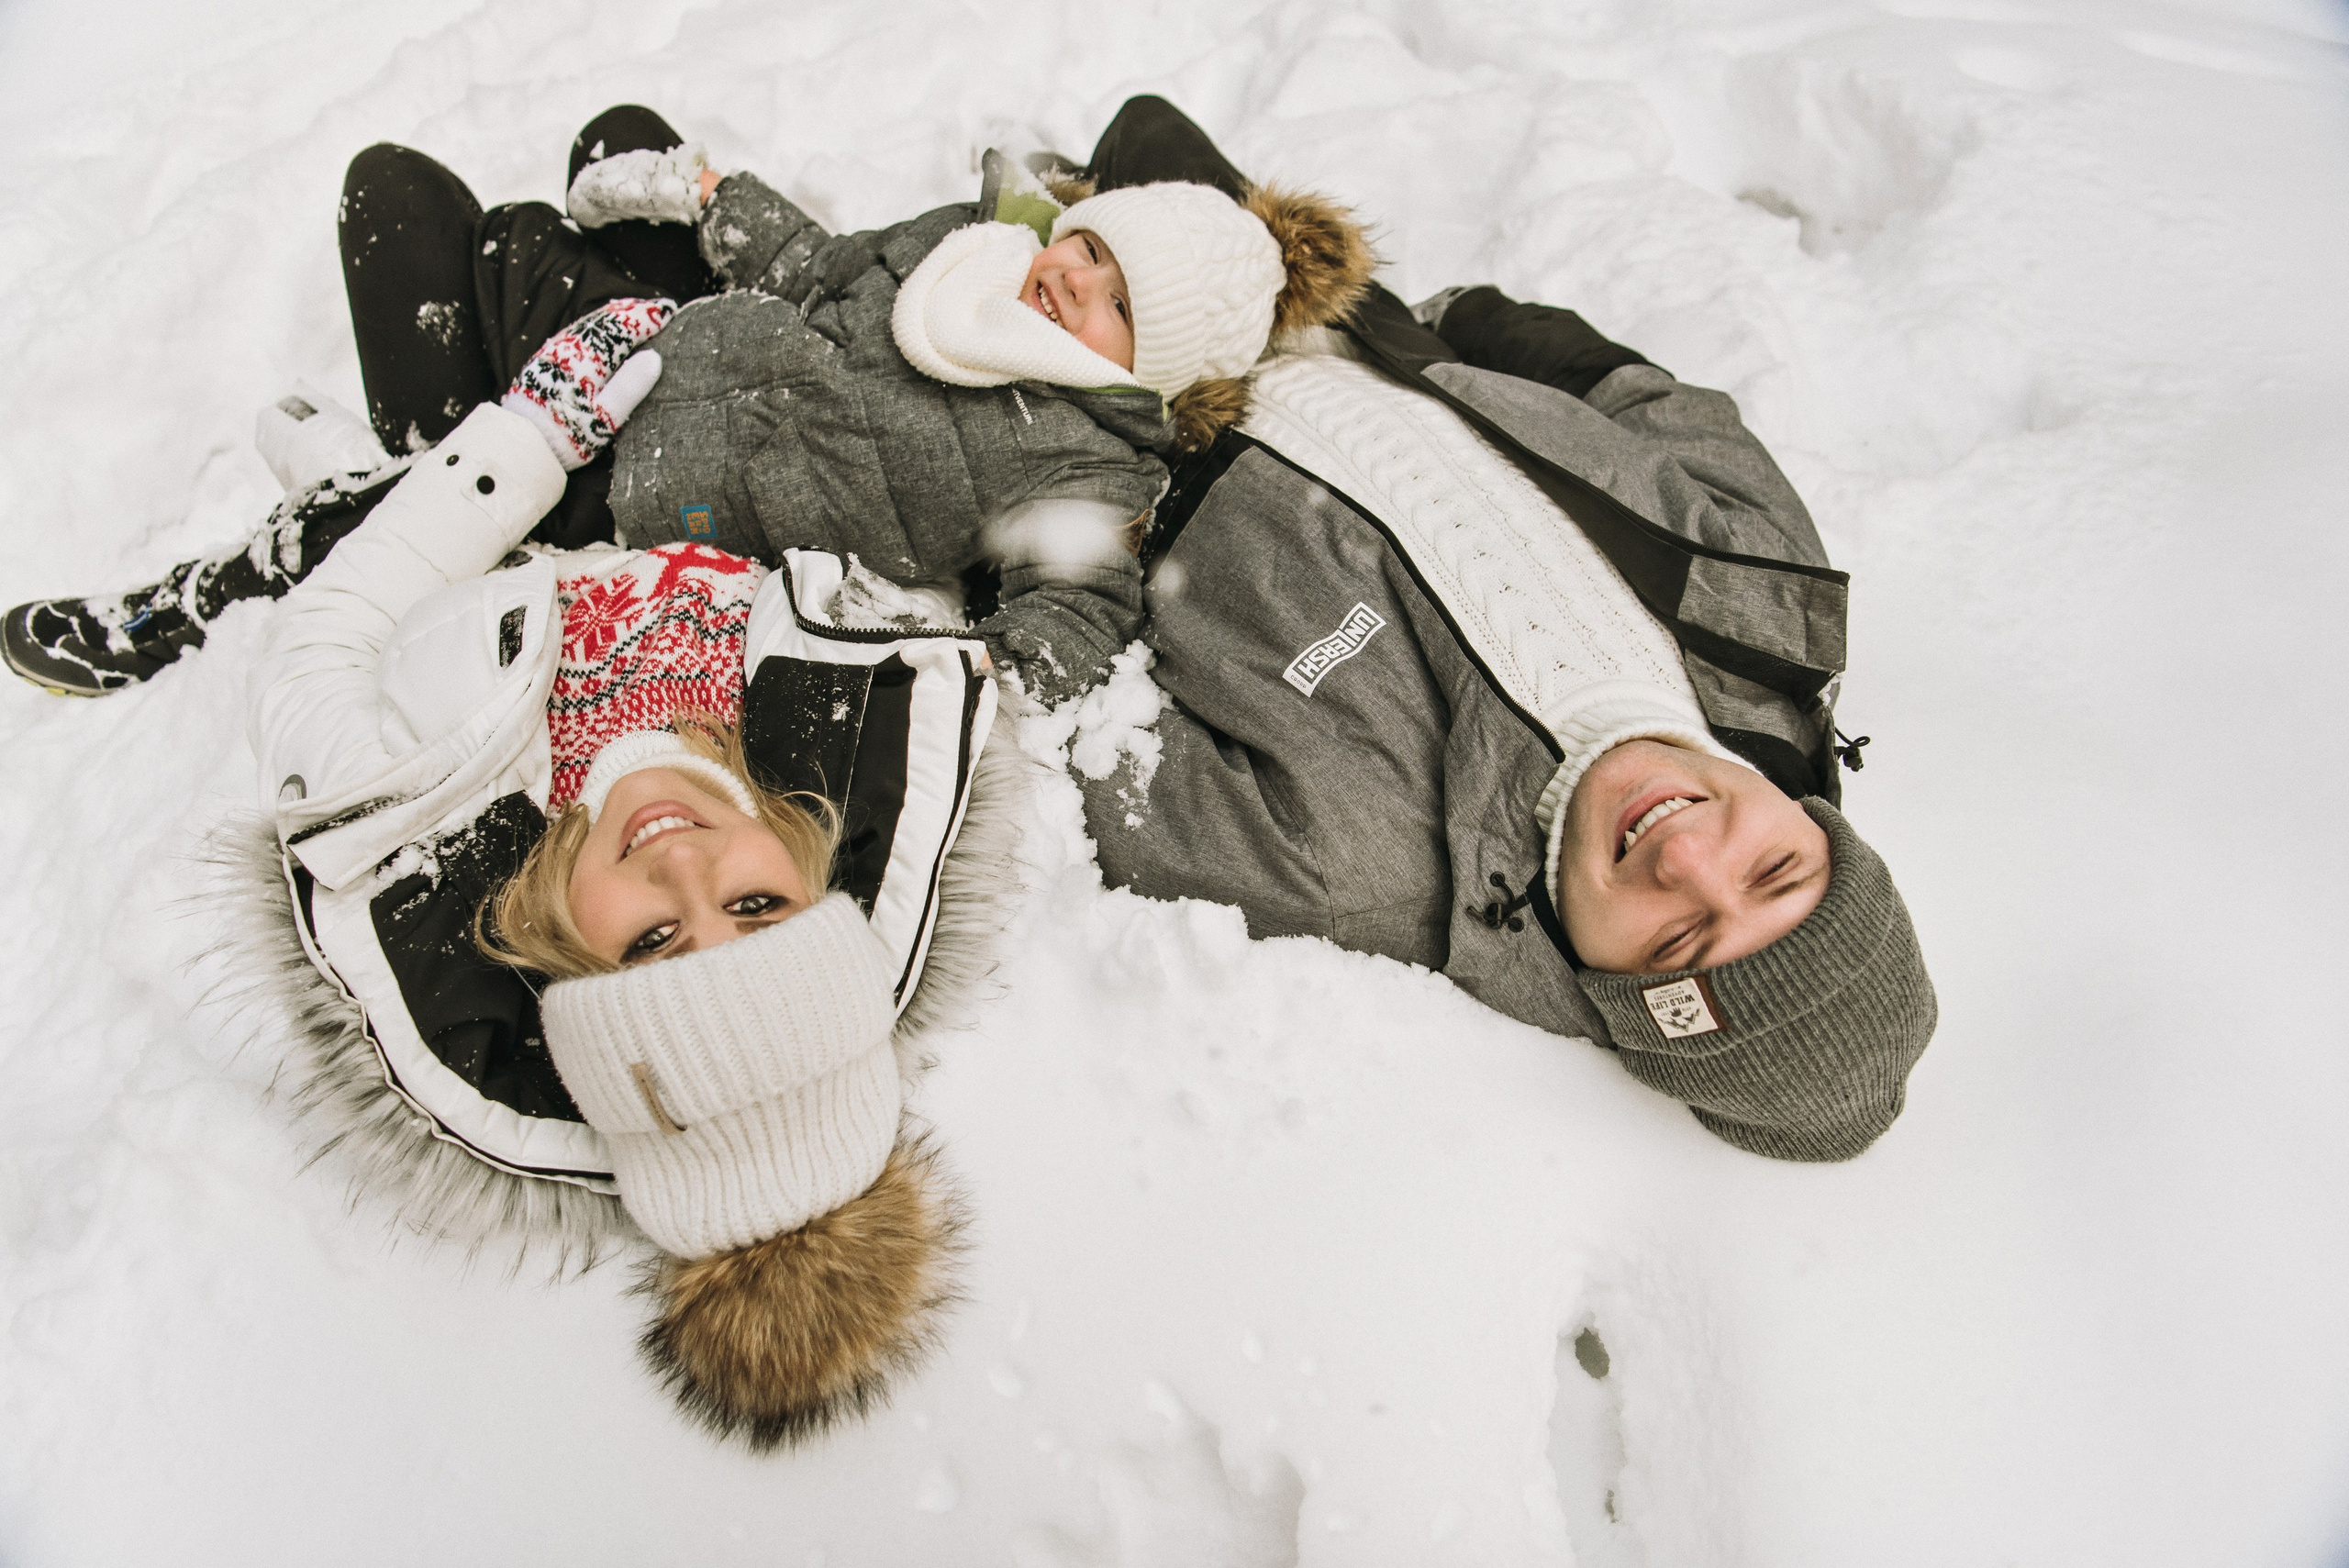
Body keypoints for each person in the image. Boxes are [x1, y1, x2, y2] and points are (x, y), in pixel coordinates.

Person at [1032, 101, 1940, 1162]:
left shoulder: (1350, 868)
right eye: (1772, 871)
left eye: (1682, 938)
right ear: (1815, 821)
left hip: (1092, 407)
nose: (1689, 852)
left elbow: (1079, 713)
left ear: (1610, 988)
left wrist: (1058, 462)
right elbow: (1655, 403)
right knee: (1148, 135)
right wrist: (1445, 324)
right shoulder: (1765, 607)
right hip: (1319, 316)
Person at [4, 107, 1374, 705]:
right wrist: (715, 203)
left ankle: (192, 605)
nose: (1069, 281)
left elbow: (1075, 618)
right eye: (1089, 244)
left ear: (1152, 368)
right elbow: (833, 273)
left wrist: (981, 677)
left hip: (627, 501)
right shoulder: (979, 250)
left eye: (1116, 302)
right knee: (511, 187)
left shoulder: (1084, 461)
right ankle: (460, 409)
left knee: (416, 250)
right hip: (646, 353)